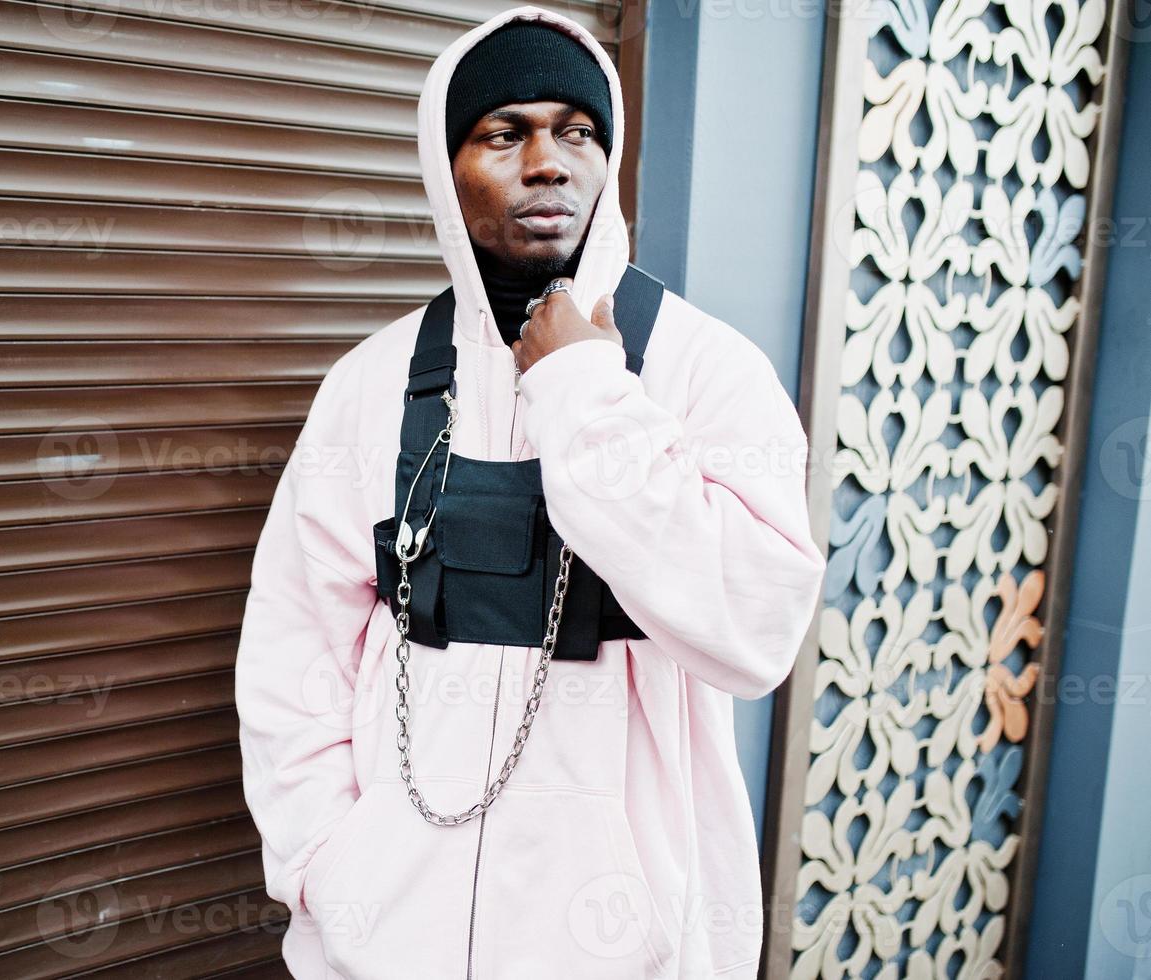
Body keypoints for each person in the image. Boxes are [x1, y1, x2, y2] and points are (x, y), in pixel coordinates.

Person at [234, 6, 827, 978]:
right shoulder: (371, 384)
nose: (550, 160)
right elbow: (295, 649)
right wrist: (328, 871)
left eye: (578, 131)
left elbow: (756, 627)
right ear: (445, 164)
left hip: (626, 949)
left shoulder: (706, 371)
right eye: (506, 132)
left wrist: (586, 391)